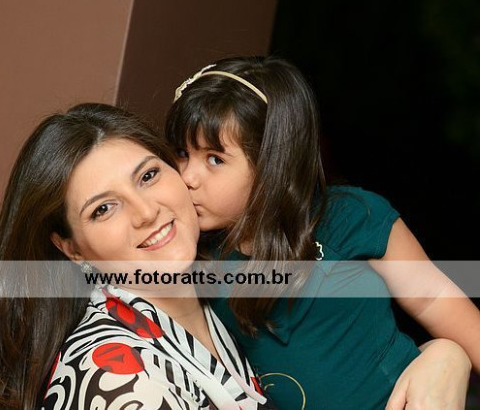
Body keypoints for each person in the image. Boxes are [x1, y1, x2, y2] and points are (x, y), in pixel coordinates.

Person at [165, 56, 479, 409]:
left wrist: (449, 351)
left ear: (272, 163)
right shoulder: (194, 257)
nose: (187, 177)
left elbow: (433, 296)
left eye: (214, 159)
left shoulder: (350, 218)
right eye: (182, 154)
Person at [0, 103, 273, 410]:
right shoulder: (119, 380)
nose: (146, 212)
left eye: (148, 176)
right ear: (72, 248)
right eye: (104, 209)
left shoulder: (223, 308)